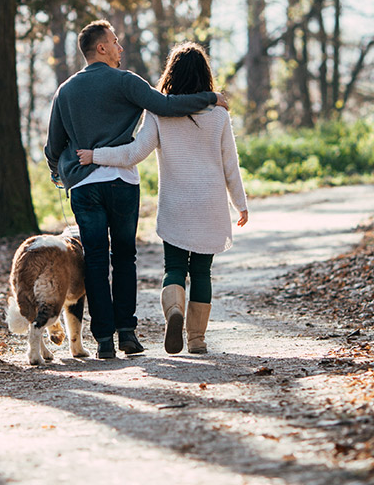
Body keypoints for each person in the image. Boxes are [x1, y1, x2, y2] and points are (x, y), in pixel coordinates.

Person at [44, 21, 228, 360]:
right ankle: (127, 334)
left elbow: (53, 147)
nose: (119, 48)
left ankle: (103, 342)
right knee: (124, 258)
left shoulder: (65, 91)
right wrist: (211, 98)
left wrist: (61, 174)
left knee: (96, 262)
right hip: (121, 184)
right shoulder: (127, 81)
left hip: (84, 186)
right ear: (101, 47)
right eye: (115, 42)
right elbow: (168, 107)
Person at [77, 41, 248, 355]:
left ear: (171, 75)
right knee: (201, 272)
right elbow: (230, 165)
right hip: (210, 204)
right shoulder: (219, 116)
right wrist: (241, 203)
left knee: (174, 267)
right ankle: (196, 339)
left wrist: (95, 155)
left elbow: (134, 153)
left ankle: (174, 312)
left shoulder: (158, 113)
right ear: (205, 76)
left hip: (176, 203)